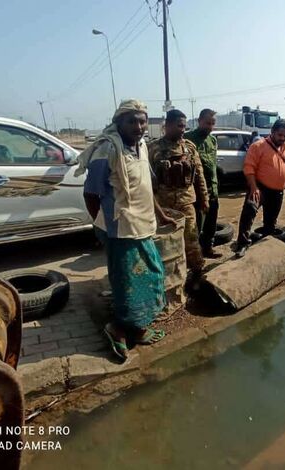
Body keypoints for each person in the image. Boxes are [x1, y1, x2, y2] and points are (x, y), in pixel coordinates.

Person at [76, 99, 174, 361]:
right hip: (119, 230)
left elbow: (145, 185)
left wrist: (160, 214)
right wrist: (103, 225)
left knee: (151, 276)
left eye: (142, 120)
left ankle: (137, 326)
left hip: (142, 226)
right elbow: (91, 193)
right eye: (132, 120)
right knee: (127, 283)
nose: (139, 126)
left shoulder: (141, 145)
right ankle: (117, 329)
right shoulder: (106, 150)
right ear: (118, 122)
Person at [148, 109, 209, 281]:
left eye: (184, 126)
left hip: (186, 202)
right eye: (179, 126)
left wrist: (204, 198)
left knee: (191, 239)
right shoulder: (153, 149)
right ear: (166, 126)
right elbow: (147, 180)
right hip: (163, 206)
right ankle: (169, 277)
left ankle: (197, 273)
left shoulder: (189, 147)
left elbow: (199, 175)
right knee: (167, 244)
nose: (182, 129)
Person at [235, 119, 285, 258]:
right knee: (249, 211)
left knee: (271, 221)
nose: (282, 138)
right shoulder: (258, 146)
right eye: (280, 135)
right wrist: (254, 187)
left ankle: (265, 247)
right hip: (259, 187)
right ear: (272, 132)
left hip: (277, 192)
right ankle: (242, 244)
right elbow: (249, 167)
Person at [184, 109, 222, 259]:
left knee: (211, 224)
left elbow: (212, 165)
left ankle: (208, 248)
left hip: (212, 190)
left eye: (213, 123)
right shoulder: (187, 139)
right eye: (207, 123)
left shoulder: (212, 140)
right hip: (196, 192)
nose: (210, 127)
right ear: (199, 121)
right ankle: (193, 256)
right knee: (195, 226)